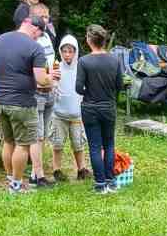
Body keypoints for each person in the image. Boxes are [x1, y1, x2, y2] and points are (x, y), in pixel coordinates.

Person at [0, 14, 52, 194]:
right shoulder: (35, 48)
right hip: (22, 104)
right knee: (23, 145)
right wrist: (52, 78)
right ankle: (16, 185)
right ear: (35, 28)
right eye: (39, 35)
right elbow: (41, 79)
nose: (38, 38)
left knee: (8, 142)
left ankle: (11, 180)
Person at [74, 24, 124, 194]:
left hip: (90, 108)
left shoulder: (84, 61)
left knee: (95, 147)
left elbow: (78, 88)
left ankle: (100, 184)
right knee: (109, 144)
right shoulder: (115, 60)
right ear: (103, 41)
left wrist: (90, 91)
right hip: (108, 107)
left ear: (89, 40)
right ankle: (111, 182)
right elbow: (120, 85)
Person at [46, 36, 92, 182]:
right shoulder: (56, 68)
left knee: (78, 143)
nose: (67, 54)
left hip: (77, 114)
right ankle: (57, 170)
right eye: (64, 51)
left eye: (70, 51)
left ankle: (81, 169)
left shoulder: (81, 68)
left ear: (75, 52)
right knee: (57, 143)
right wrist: (52, 83)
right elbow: (49, 86)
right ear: (60, 52)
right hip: (59, 114)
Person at [29, 3, 59, 184]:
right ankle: (37, 175)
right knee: (37, 135)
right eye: (41, 17)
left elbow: (51, 61)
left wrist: (54, 79)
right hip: (36, 92)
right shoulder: (30, 40)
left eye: (47, 17)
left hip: (50, 90)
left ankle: (36, 171)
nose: (45, 20)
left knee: (44, 134)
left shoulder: (47, 36)